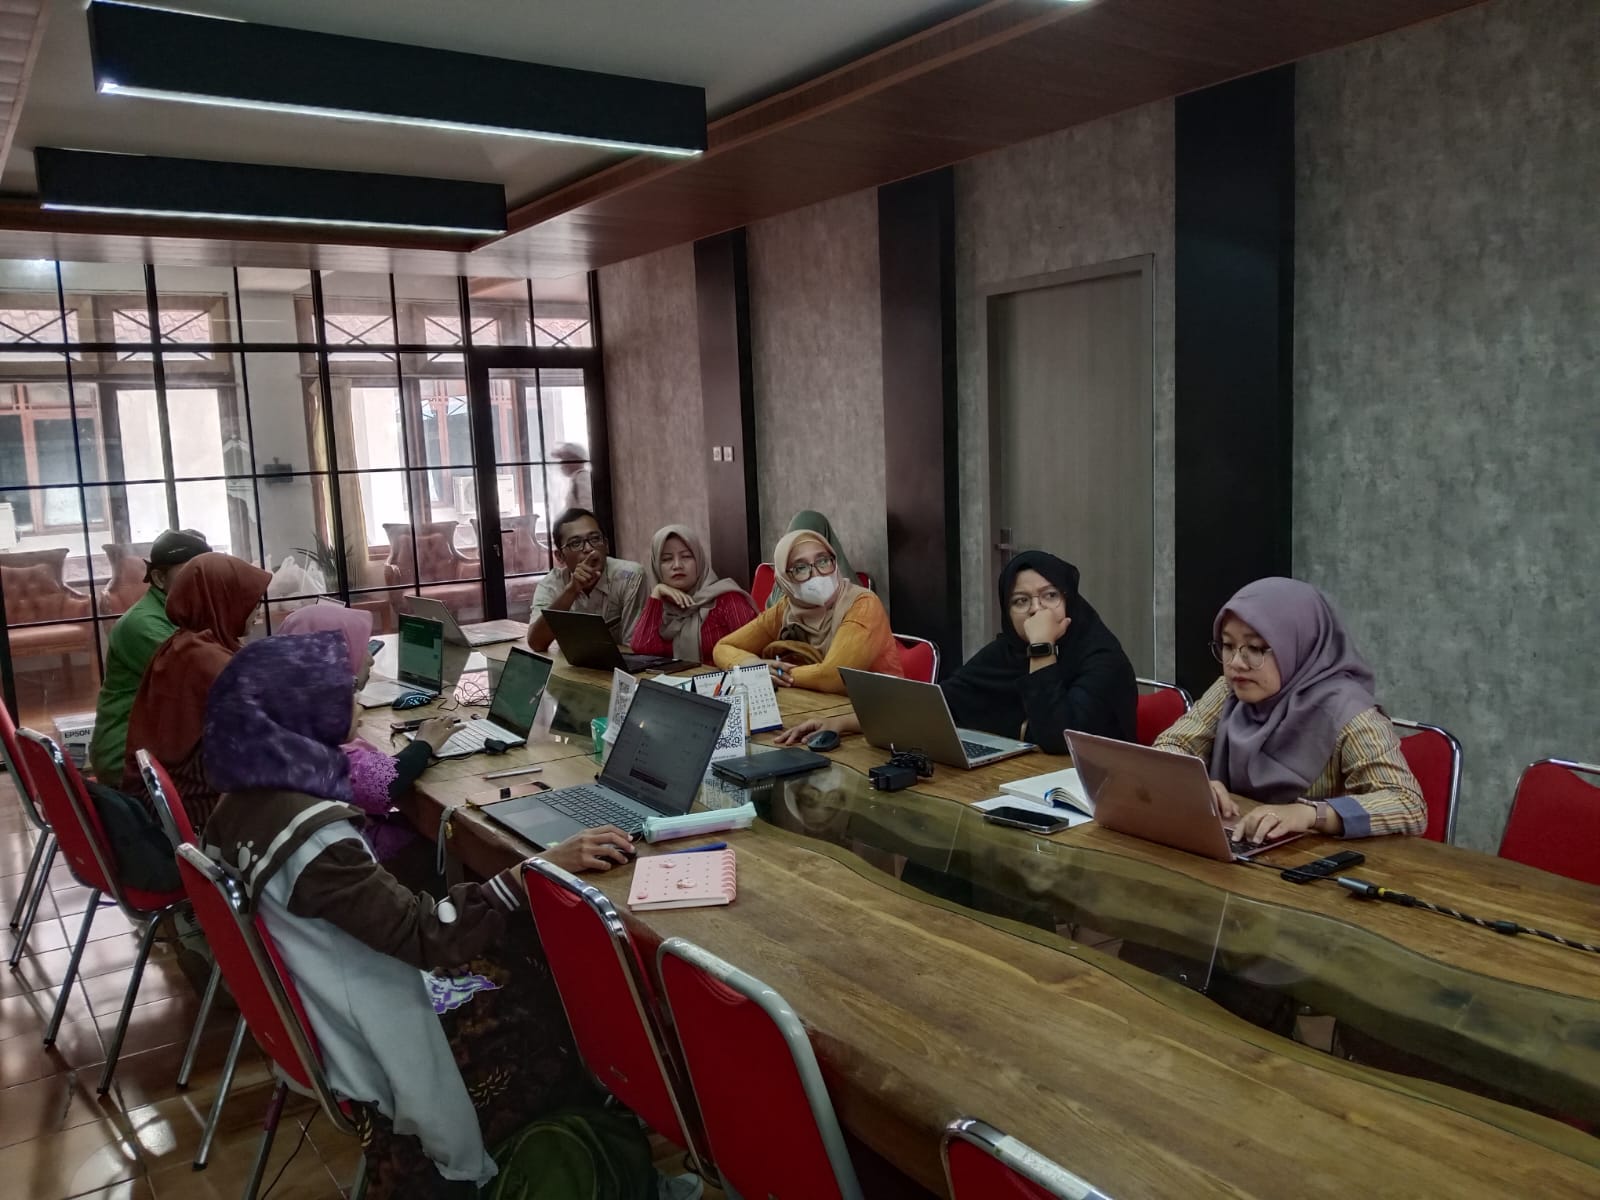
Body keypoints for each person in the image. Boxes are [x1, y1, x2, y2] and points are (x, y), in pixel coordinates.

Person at [200, 631, 643, 1197]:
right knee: (554, 987)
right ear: (301, 712)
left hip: (325, 1006)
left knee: (520, 946)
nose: (355, 699)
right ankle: (590, 1148)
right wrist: (536, 869)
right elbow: (428, 935)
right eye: (344, 692)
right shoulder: (314, 838)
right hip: (377, 1027)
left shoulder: (242, 801)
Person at [1153, 577, 1425, 843]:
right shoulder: (1230, 691)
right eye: (1228, 646)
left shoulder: (1347, 714)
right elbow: (1171, 745)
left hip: (1313, 861)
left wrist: (1312, 814)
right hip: (1234, 845)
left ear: (1300, 645)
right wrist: (1191, 781)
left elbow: (1408, 804)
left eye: (1255, 648)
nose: (1236, 662)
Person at [779, 550, 1137, 753]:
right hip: (1014, 790)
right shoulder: (1005, 653)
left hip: (1090, 810)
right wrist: (842, 722)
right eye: (1021, 601)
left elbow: (1058, 740)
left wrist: (1042, 650)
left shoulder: (1103, 660)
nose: (1036, 611)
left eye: (1050, 596)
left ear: (1070, 601)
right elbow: (940, 702)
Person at [277, 605, 461, 862]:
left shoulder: (287, 711)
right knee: (452, 842)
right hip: (355, 858)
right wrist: (424, 744)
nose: (371, 659)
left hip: (318, 848)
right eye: (361, 647)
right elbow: (381, 784)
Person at [120, 552, 272, 833]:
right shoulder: (208, 660)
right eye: (251, 601)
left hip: (163, 797)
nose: (257, 611)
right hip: (197, 807)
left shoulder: (182, 645)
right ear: (223, 600)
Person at [89, 529, 212, 783]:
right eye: (191, 572)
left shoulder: (182, 613)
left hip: (160, 746)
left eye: (207, 572)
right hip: (130, 758)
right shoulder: (144, 624)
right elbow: (204, 679)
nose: (203, 581)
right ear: (158, 577)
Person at [713, 527, 901, 693]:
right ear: (784, 582)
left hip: (876, 710)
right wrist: (751, 665)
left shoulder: (863, 604)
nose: (817, 574)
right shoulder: (786, 609)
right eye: (800, 568)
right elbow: (723, 647)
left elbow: (833, 676)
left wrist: (773, 673)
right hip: (815, 707)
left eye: (823, 561)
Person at [628, 525, 758, 665]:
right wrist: (657, 592)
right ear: (656, 566)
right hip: (675, 679)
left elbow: (755, 650)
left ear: (699, 559)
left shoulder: (727, 600)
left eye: (686, 556)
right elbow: (642, 649)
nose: (677, 565)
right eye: (666, 559)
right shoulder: (661, 608)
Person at [527, 508, 645, 653]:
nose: (589, 548)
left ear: (606, 545)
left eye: (595, 539)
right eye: (576, 543)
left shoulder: (629, 576)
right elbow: (536, 643)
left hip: (621, 665)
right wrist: (571, 591)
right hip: (571, 664)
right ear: (560, 556)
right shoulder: (552, 584)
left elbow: (635, 649)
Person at [764, 510, 857, 607]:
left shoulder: (852, 594)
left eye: (822, 562)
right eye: (800, 568)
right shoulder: (782, 584)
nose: (815, 574)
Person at [551, 442, 593, 514]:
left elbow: (589, 509)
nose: (561, 464)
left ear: (576, 459)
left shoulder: (582, 477)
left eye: (564, 459)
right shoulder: (577, 478)